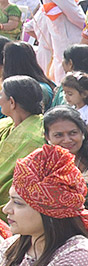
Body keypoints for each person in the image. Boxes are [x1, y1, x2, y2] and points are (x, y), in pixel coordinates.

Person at [43, 105, 88, 210]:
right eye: (58, 135)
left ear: (82, 132)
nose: (67, 140)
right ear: (47, 137)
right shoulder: (44, 163)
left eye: (73, 133)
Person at [0, 75, 47, 204]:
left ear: (12, 102)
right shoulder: (5, 125)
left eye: (0, 96)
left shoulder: (36, 137)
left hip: (19, 204)